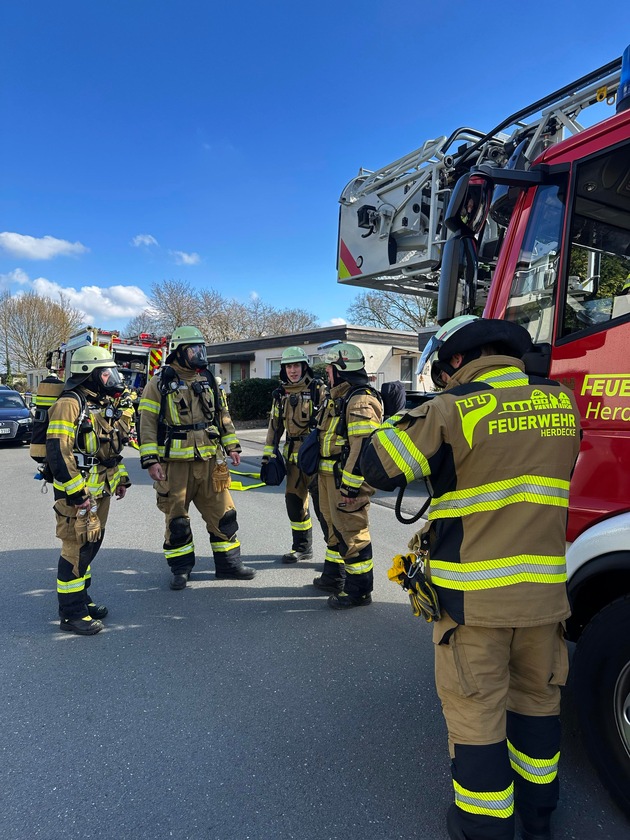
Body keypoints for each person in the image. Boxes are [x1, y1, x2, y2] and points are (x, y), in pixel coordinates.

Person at [360, 315, 581, 840]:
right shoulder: (562, 402)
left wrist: (403, 413)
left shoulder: (451, 410)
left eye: (443, 367)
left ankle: (484, 827)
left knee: (477, 714)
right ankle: (539, 816)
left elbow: (376, 464)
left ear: (458, 358)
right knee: (538, 704)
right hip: (546, 600)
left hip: (474, 604)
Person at [138, 326, 255, 589]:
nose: (199, 354)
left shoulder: (209, 380)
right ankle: (181, 569)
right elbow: (146, 424)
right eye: (194, 349)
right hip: (175, 467)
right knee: (177, 520)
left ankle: (228, 565)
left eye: (201, 349)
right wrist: (151, 460)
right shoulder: (158, 384)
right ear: (179, 353)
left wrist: (232, 446)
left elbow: (222, 416)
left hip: (211, 460)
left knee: (224, 515)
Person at [47, 345, 132, 636]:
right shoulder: (69, 403)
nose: (112, 378)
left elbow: (108, 449)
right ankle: (70, 614)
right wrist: (77, 493)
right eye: (106, 372)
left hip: (100, 490)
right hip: (79, 496)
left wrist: (120, 477)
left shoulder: (97, 403)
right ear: (89, 373)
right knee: (74, 549)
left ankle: (82, 600)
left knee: (90, 544)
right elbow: (58, 450)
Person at [311, 342, 383, 609]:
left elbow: (362, 447)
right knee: (335, 530)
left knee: (353, 533)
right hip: (331, 477)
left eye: (330, 368)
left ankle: (360, 591)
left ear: (340, 370)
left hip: (346, 481)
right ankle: (335, 578)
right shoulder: (338, 395)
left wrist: (351, 488)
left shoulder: (361, 399)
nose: (327, 373)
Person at [262, 346, 327, 563]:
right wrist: (268, 454)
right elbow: (274, 427)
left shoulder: (318, 389)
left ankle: (335, 557)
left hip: (316, 460)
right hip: (292, 460)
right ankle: (302, 548)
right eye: (288, 366)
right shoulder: (280, 394)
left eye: (296, 365)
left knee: (323, 509)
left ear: (304, 366)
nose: (293, 370)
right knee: (294, 505)